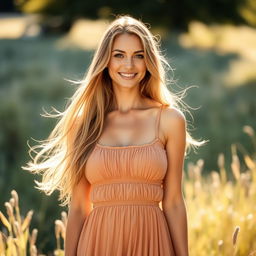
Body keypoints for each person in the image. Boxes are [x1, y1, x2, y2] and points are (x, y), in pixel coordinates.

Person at [23, 15, 205, 256]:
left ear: (148, 61)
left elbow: (173, 202)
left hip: (153, 242)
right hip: (98, 243)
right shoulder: (83, 125)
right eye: (119, 55)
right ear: (105, 61)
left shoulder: (170, 120)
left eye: (138, 56)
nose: (128, 65)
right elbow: (78, 207)